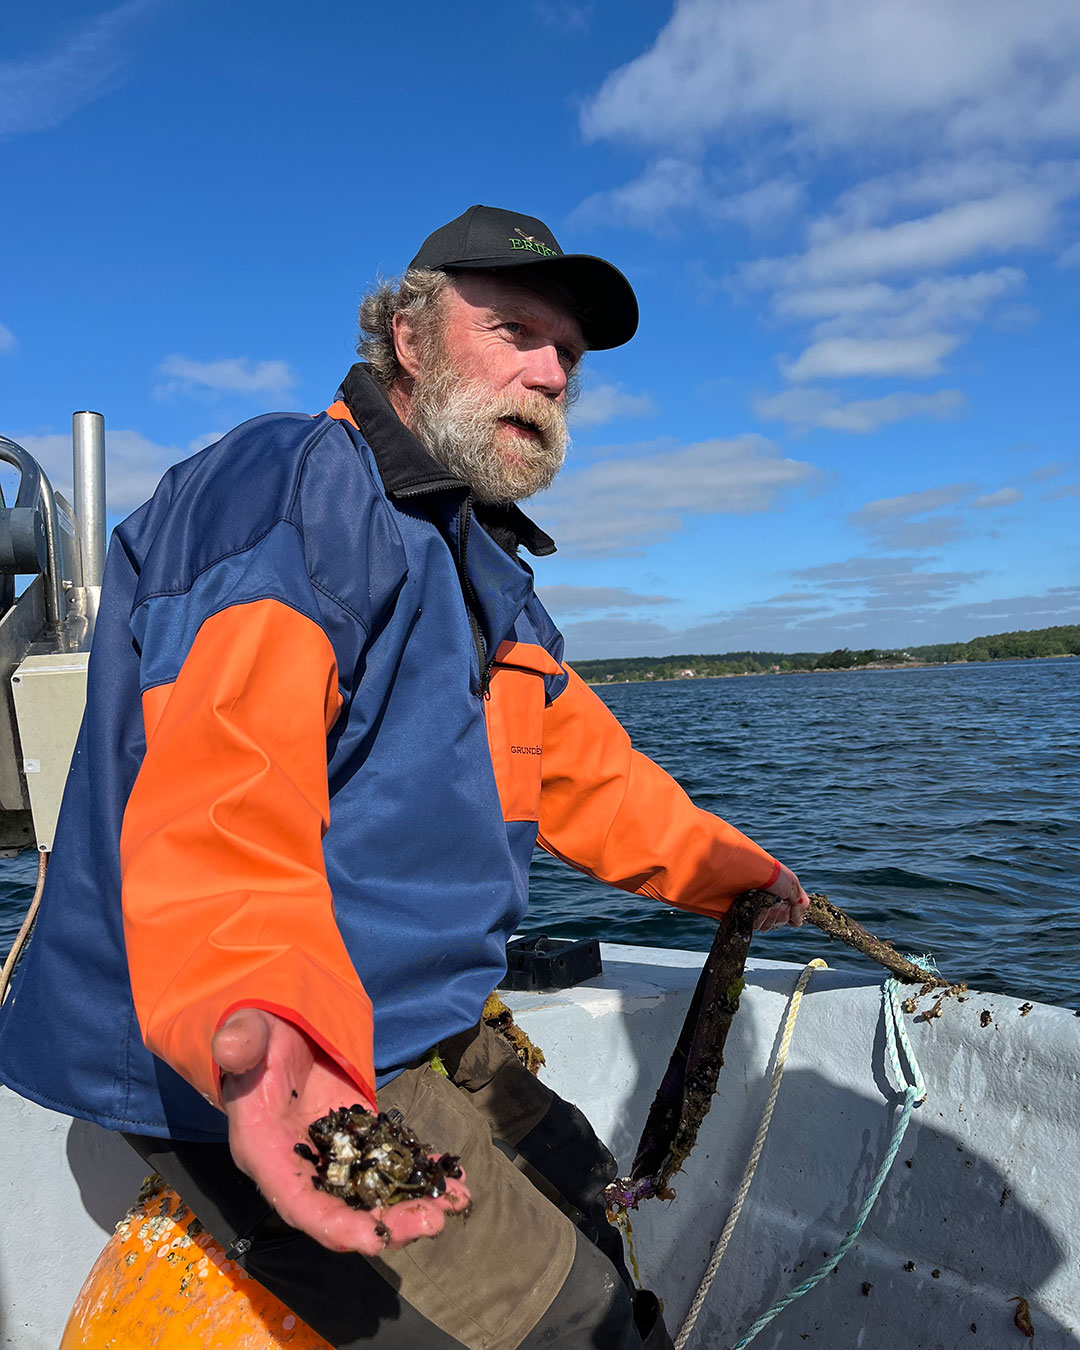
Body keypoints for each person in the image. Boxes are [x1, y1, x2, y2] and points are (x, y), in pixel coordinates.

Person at [0, 204, 809, 1349]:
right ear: (410, 337)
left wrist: (732, 873)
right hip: (248, 1041)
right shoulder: (291, 488)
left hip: (403, 1020)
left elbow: (588, 778)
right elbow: (224, 785)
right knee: (568, 1326)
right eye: (514, 331)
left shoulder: (487, 571)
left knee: (598, 1210)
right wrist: (266, 1015)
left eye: (567, 357)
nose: (548, 374)